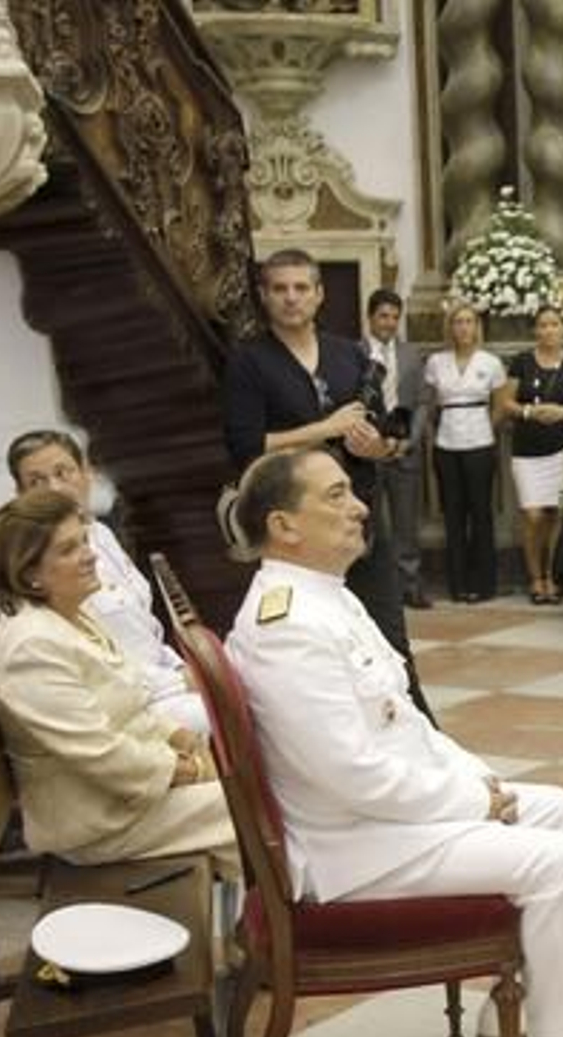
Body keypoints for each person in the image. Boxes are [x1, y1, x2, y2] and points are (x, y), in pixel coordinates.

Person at [225, 448, 563, 1037]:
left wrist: (476, 777)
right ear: (284, 526)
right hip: (349, 847)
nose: (359, 507)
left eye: (351, 492)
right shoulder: (287, 625)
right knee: (555, 861)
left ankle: (510, 1011)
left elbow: (405, 720)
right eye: (334, 496)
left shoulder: (326, 596)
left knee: (558, 811)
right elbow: (350, 772)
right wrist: (469, 802)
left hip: (380, 818)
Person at [0, 490, 238, 876]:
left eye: (84, 540)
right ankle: (285, 925)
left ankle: (259, 919)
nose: (90, 554)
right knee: (256, 814)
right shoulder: (30, 648)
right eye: (68, 549)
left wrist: (183, 740)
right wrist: (188, 770)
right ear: (29, 573)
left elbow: (128, 700)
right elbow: (98, 752)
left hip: (126, 793)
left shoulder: (69, 614)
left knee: (261, 793)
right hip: (100, 821)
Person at [221, 247, 432, 719]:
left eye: (301, 288)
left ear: (319, 295)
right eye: (280, 289)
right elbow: (246, 446)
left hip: (359, 515)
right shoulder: (249, 361)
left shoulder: (347, 353)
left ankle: (424, 740)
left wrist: (372, 446)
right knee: (319, 645)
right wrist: (325, 429)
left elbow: (383, 437)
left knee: (388, 639)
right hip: (295, 531)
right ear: (264, 296)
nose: (291, 298)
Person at [5, 429, 209, 734]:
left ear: (86, 474)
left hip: (162, 682)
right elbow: (100, 670)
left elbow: (145, 632)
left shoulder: (101, 534)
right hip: (129, 709)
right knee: (246, 713)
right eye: (37, 481)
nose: (54, 488)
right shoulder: (48, 569)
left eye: (63, 472)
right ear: (21, 495)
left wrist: (181, 668)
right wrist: (181, 681)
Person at [496, 305, 563, 605]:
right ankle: (535, 578)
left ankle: (552, 577)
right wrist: (531, 411)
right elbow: (505, 402)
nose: (548, 330)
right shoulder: (522, 362)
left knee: (559, 514)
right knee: (533, 516)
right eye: (542, 325)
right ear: (535, 330)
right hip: (528, 452)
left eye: (554, 324)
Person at [423, 298, 506, 604]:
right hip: (446, 444)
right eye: (458, 322)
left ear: (477, 327)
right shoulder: (436, 362)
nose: (463, 327)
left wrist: (482, 428)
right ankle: (457, 584)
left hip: (480, 444)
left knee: (480, 513)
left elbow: (499, 407)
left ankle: (484, 584)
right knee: (453, 516)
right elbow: (430, 406)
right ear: (450, 327)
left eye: (469, 321)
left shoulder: (490, 362)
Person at [363, 288, 432, 610]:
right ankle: (374, 588)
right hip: (368, 452)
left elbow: (421, 402)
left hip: (405, 452)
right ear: (370, 318)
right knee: (370, 522)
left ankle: (411, 585)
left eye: (394, 317)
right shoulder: (354, 353)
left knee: (407, 523)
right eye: (383, 316)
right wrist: (374, 442)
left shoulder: (411, 355)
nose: (389, 323)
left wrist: (410, 440)